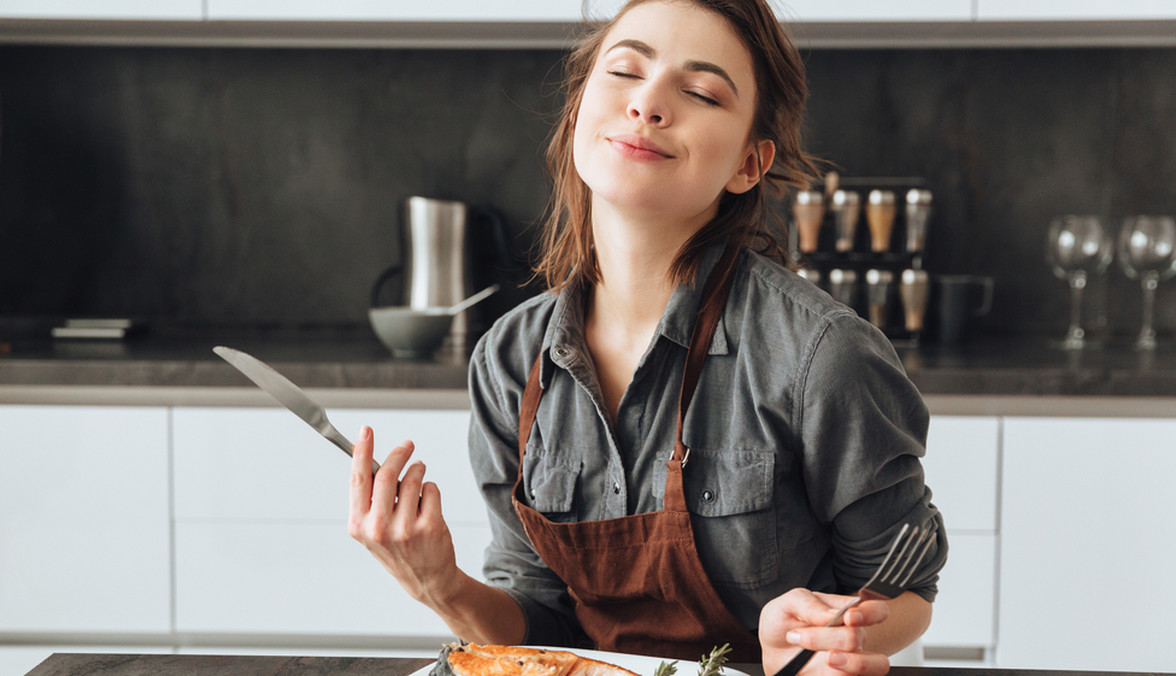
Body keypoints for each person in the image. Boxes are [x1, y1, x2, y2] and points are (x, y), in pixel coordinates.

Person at [347, 1, 948, 674]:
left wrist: (827, 637)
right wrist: (439, 584)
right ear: (578, 110)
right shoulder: (510, 362)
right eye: (625, 70)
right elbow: (538, 624)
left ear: (749, 164)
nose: (648, 105)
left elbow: (905, 590)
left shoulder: (822, 357)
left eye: (699, 92)